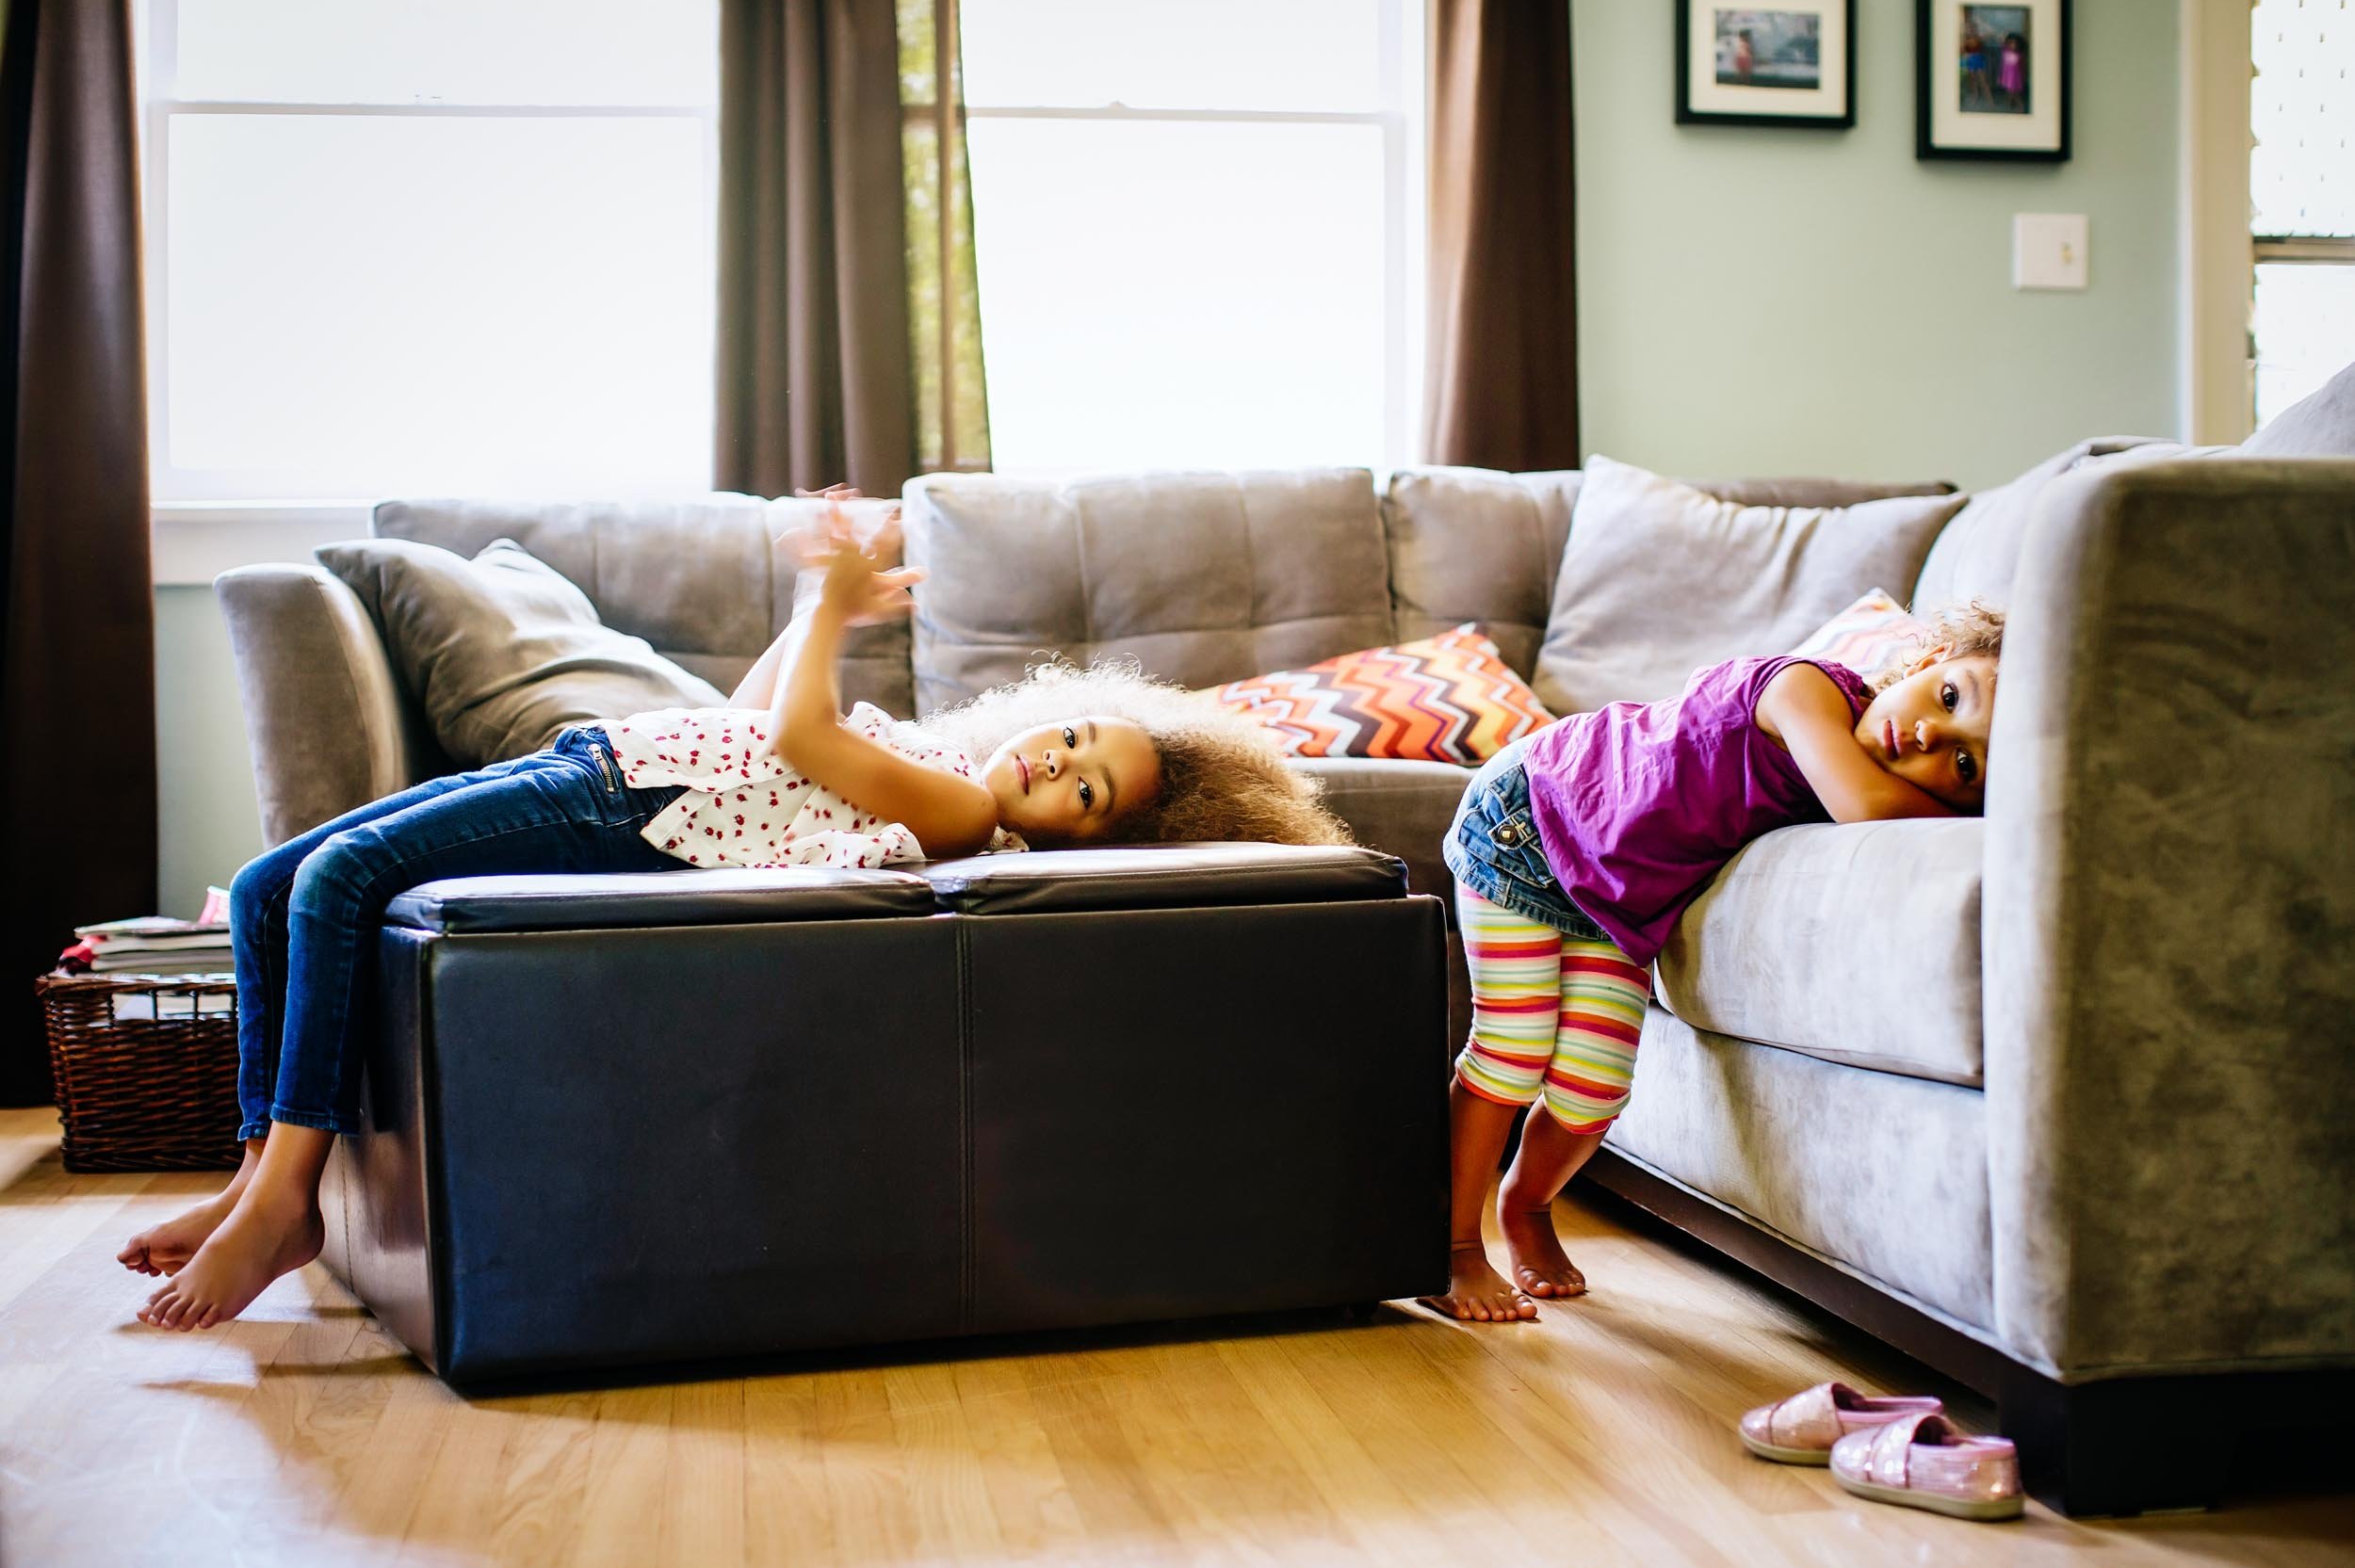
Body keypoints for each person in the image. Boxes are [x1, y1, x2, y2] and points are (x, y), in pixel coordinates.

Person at [122, 497, 1350, 1332]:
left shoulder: (966, 818)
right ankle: (250, 1183)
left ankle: (290, 1199)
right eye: (1078, 736)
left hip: (624, 813)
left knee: (337, 885)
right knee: (281, 880)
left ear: (1087, 838)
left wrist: (831, 609)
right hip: (602, 761)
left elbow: (801, 735)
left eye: (1090, 793)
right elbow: (758, 703)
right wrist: (811, 614)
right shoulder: (934, 752)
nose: (1059, 764)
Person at [1423, 604, 2005, 1322]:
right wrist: (1999, 807)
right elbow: (1867, 804)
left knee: (1593, 1089)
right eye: (1950, 697)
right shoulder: (1804, 690)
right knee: (1513, 1049)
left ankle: (1528, 1203)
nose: (1928, 734)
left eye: (1963, 762)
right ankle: (1447, 1248)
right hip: (1530, 817)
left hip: (1612, 900)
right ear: (1927, 659)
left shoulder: (1846, 766)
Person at [1998, 33, 2026, 111]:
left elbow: (2022, 67)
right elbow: (2001, 40)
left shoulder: (2019, 54)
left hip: (2015, 78)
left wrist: (2023, 77)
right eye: (2010, 43)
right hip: (2007, 77)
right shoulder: (2005, 50)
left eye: (2014, 43)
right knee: (2009, 92)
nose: (2012, 45)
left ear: (2018, 44)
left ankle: (2021, 107)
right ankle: (2009, 103)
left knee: (2015, 94)